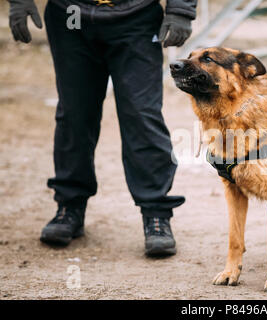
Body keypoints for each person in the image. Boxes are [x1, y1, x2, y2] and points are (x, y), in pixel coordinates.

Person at [7, 0, 197, 256]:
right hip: (70, 16)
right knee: (75, 114)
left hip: (136, 17)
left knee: (141, 114)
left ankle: (156, 214)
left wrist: (180, 9)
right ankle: (69, 207)